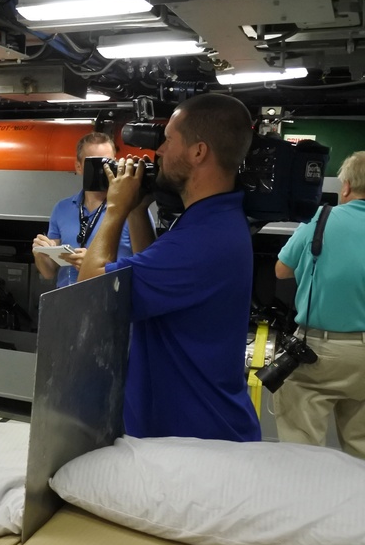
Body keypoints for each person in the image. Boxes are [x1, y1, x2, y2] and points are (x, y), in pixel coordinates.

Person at [78, 93, 261, 442]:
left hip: (196, 441)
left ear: (198, 152)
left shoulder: (203, 240)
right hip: (192, 430)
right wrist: (135, 210)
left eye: (169, 139)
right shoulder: (210, 220)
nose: (159, 151)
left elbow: (91, 290)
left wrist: (114, 209)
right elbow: (154, 280)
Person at [273, 150, 365, 458]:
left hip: (318, 353)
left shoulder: (322, 218)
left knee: (302, 450)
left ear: (347, 187)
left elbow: (281, 270)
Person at [33, 132, 150, 287]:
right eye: (94, 164)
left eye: (108, 163)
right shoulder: (62, 209)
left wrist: (96, 265)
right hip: (69, 301)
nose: (102, 170)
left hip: (110, 302)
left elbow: (147, 268)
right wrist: (40, 254)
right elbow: (48, 272)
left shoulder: (133, 209)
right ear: (78, 167)